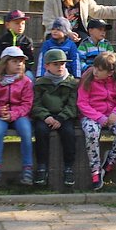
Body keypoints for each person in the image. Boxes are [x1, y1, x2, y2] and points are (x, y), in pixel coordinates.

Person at [78, 52, 116, 191]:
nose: (95, 71)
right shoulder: (87, 78)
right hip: (91, 115)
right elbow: (82, 103)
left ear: (110, 72)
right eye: (95, 67)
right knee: (92, 132)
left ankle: (110, 162)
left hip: (111, 115)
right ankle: (95, 171)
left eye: (100, 70)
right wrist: (99, 117)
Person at [0, 46, 34, 186]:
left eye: (21, 61)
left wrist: (13, 114)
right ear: (5, 63)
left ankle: (27, 168)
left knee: (26, 131)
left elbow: (27, 104)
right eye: (15, 61)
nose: (19, 64)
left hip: (20, 114)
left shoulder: (26, 82)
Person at [32, 48, 79, 187]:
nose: (60, 67)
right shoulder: (40, 83)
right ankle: (42, 166)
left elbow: (72, 105)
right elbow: (36, 104)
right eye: (56, 64)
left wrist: (61, 118)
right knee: (40, 132)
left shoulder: (71, 83)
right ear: (47, 66)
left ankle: (69, 167)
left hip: (64, 117)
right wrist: (45, 116)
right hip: (46, 116)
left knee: (69, 133)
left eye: (62, 64)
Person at [0, 10, 35, 81]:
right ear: (7, 25)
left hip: (22, 71)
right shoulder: (3, 40)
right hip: (5, 71)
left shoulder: (27, 41)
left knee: (30, 78)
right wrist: (5, 69)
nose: (20, 26)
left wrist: (22, 69)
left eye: (23, 23)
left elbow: (30, 60)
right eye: (17, 23)